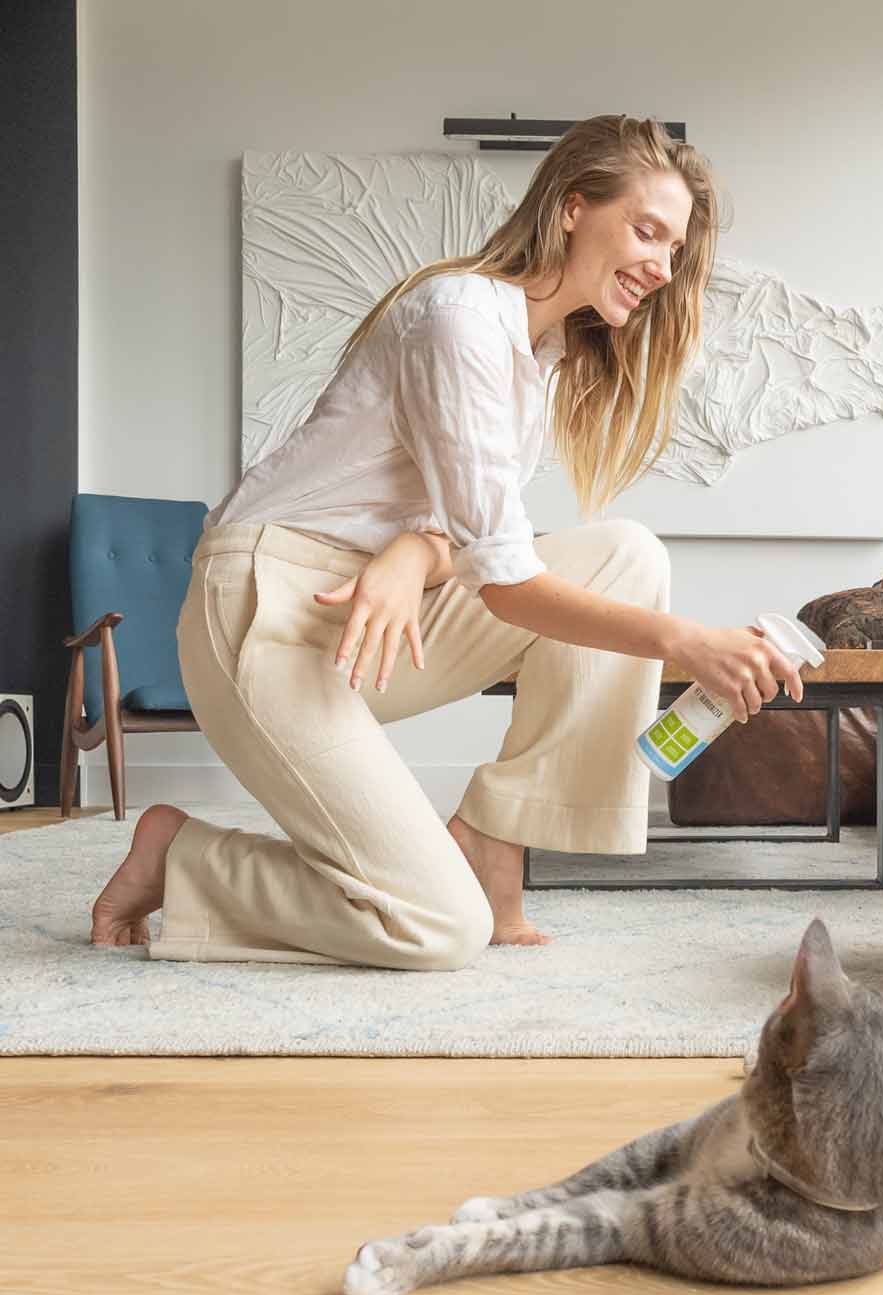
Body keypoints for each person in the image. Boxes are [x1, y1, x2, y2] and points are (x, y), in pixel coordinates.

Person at [89, 114, 803, 970]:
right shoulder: (462, 319)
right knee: (437, 928)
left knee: (628, 554)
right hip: (263, 615)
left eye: (674, 248)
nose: (661, 263)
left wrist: (412, 554)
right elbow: (503, 580)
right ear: (573, 208)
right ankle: (184, 857)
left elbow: (470, 535)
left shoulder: (536, 360)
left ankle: (495, 833)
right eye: (648, 230)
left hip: (375, 618)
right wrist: (690, 641)